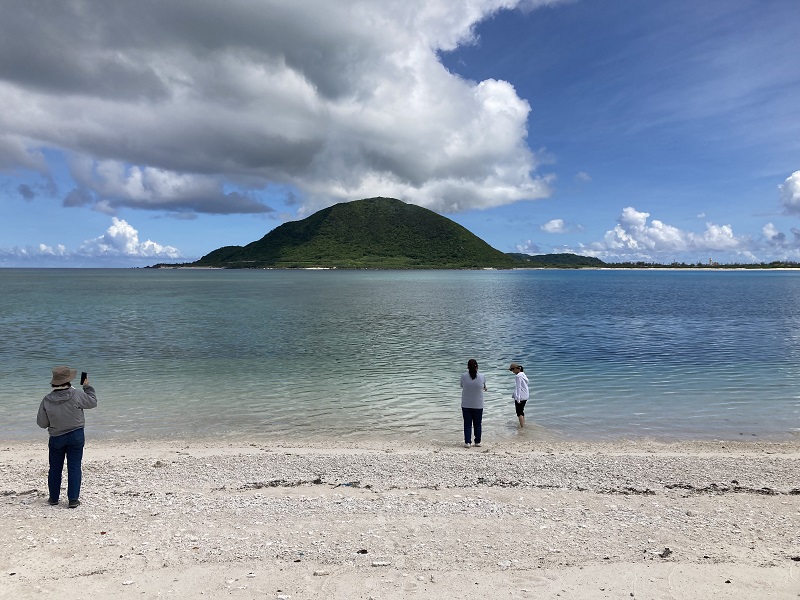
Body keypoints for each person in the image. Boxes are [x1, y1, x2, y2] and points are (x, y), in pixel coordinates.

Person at [37, 366, 98, 508]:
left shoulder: (47, 400)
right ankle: (73, 500)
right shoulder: (76, 394)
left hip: (56, 437)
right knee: (74, 466)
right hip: (76, 435)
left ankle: (53, 498)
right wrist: (87, 386)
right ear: (69, 380)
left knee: (55, 468)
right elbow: (93, 402)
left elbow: (42, 423)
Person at [460, 358, 487, 448]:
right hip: (478, 404)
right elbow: (483, 387)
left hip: (466, 403)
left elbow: (462, 385)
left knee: (467, 424)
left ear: (467, 367)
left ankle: (467, 442)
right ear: (477, 366)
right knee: (478, 424)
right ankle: (477, 442)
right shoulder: (482, 376)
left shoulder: (464, 376)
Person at [509, 362, 529, 428]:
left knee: (519, 412)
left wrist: (518, 398)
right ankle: (523, 424)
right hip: (525, 395)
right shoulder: (523, 374)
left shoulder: (518, 376)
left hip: (521, 396)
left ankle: (522, 427)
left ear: (515, 369)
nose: (512, 372)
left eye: (512, 370)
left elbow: (518, 387)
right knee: (521, 411)